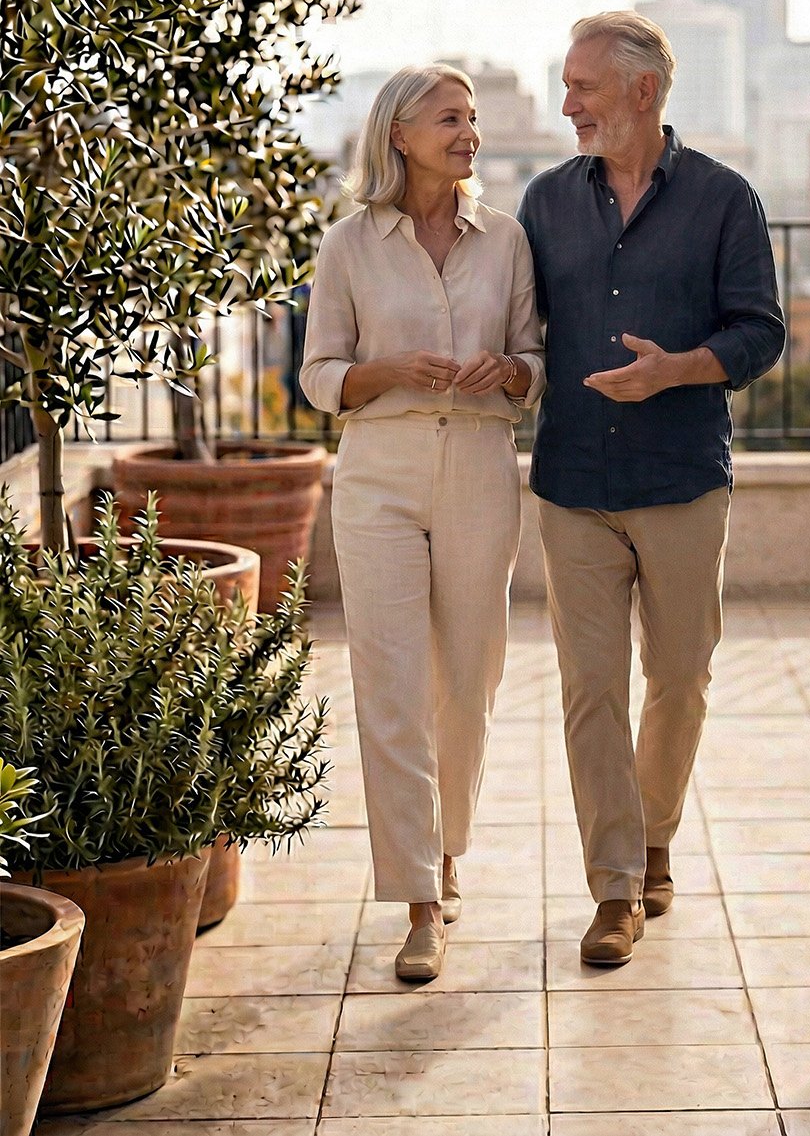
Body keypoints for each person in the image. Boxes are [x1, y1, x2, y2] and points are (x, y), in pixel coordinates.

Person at [518, 12, 785, 965]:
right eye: (565, 83)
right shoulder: (545, 202)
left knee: (679, 676)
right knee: (591, 688)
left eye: (583, 85)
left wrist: (676, 368)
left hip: (679, 480)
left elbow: (762, 331)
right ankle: (617, 886)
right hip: (572, 481)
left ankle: (655, 832)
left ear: (642, 91)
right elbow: (517, 327)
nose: (567, 103)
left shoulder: (725, 199)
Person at [300, 63, 544, 982]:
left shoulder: (507, 240)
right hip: (380, 475)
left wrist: (511, 374)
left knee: (468, 677)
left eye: (472, 118)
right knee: (392, 682)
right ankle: (417, 901)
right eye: (450, 117)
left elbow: (533, 358)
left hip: (479, 468)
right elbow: (321, 377)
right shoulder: (348, 246)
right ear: (398, 134)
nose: (468, 131)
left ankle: (448, 857)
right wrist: (388, 369)